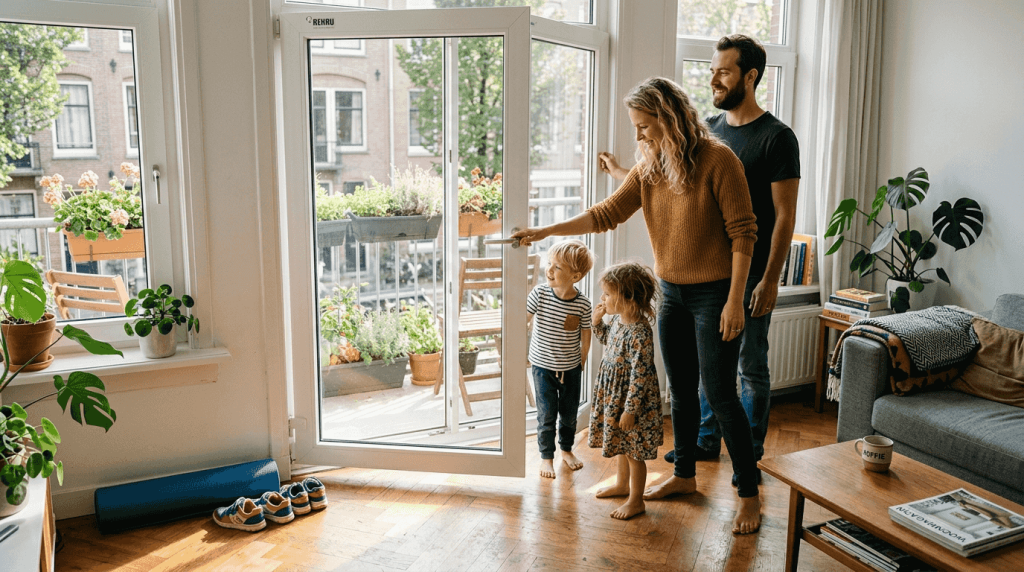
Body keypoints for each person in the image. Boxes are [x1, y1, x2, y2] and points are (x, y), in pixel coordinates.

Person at [514, 77, 762, 534]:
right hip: (671, 292)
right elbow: (604, 214)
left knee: (721, 394)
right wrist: (546, 232)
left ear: (669, 119)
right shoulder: (649, 168)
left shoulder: (719, 160)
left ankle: (749, 493)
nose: (638, 136)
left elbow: (744, 234)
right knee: (682, 393)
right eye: (636, 127)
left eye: (644, 126)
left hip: (715, 295)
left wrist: (734, 302)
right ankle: (684, 475)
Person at [599, 34, 800, 485]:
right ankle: (703, 448)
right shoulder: (709, 128)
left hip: (743, 276)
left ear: (750, 77)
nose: (714, 78)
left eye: (724, 71)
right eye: (712, 70)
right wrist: (623, 174)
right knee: (702, 381)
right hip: (688, 282)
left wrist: (768, 281)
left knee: (745, 370)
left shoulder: (775, 138)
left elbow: (781, 218)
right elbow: (672, 182)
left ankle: (751, 459)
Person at [589, 261, 662, 520]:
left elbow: (639, 375)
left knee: (634, 450)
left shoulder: (641, 332)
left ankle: (636, 499)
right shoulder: (619, 322)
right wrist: (597, 324)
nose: (602, 298)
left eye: (608, 294)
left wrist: (630, 410)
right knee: (620, 443)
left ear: (629, 298)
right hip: (614, 397)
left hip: (632, 400)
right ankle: (621, 484)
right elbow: (608, 341)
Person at [527, 239, 594, 479]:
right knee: (546, 416)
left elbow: (586, 332)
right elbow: (524, 318)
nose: (549, 270)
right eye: (549, 263)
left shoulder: (583, 304)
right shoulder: (540, 294)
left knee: (568, 415)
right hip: (542, 368)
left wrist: (583, 358)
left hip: (571, 369)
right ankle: (547, 458)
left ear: (575, 276)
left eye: (557, 267)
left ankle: (566, 450)